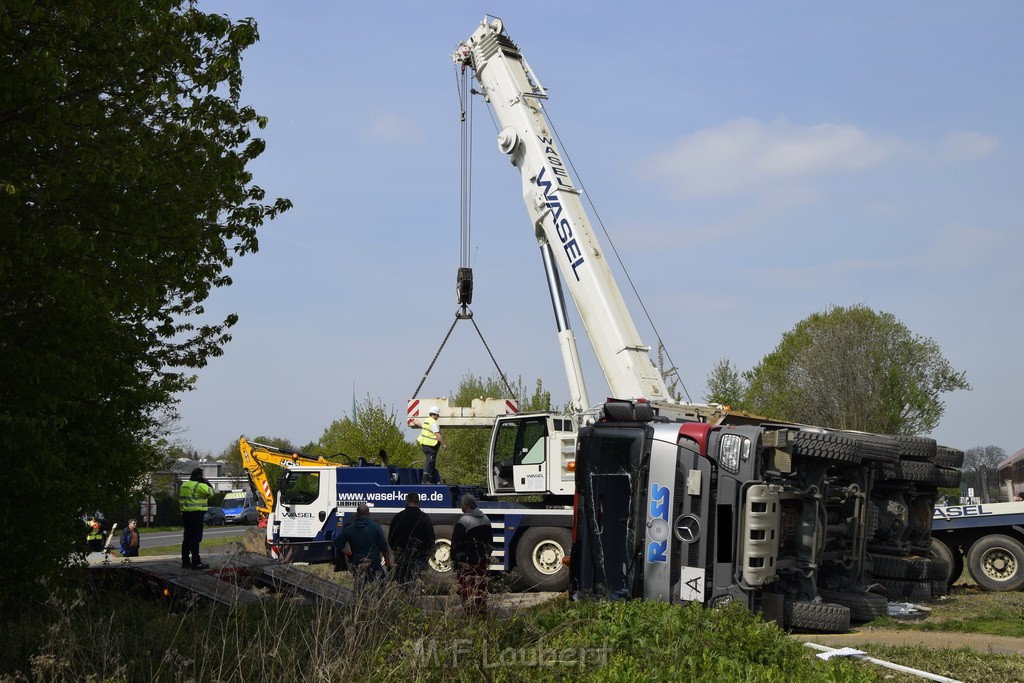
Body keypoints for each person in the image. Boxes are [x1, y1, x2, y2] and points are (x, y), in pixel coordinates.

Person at [451, 494, 492, 617]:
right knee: (480, 588)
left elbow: (456, 543)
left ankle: (470, 615)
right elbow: (490, 542)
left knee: (466, 589)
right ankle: (481, 614)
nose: (461, 507)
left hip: (467, 562)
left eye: (462, 505)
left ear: (466, 505)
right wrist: (486, 556)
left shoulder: (463, 521)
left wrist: (455, 561)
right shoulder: (485, 519)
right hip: (482, 560)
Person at [338, 502, 392, 590]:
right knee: (380, 586)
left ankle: (358, 601)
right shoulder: (375, 527)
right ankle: (379, 602)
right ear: (369, 513)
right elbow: (384, 546)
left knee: (359, 587)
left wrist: (348, 554)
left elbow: (338, 542)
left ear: (357, 514)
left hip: (357, 562)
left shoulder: (349, 528)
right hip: (374, 563)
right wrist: (387, 561)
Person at [388, 492, 436, 587]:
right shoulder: (425, 518)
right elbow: (431, 539)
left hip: (402, 557)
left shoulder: (398, 517)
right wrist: (427, 554)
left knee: (402, 585)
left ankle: (403, 600)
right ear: (419, 502)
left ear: (406, 502)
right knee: (416, 585)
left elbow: (391, 538)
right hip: (419, 558)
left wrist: (396, 551)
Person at [179, 467, 213, 570]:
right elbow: (211, 492)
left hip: (185, 514)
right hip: (196, 514)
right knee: (196, 539)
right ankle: (196, 562)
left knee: (187, 539)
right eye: (202, 476)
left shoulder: (184, 485)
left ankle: (185, 562)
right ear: (199, 476)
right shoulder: (200, 485)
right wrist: (206, 482)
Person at [411, 405, 447, 484]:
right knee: (429, 462)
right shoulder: (434, 423)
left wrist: (416, 422)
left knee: (431, 462)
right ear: (436, 414)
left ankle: (430, 479)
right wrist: (443, 444)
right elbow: (437, 434)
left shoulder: (426, 421)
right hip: (431, 446)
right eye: (438, 415)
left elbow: (421, 425)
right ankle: (425, 480)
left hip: (424, 445)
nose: (438, 416)